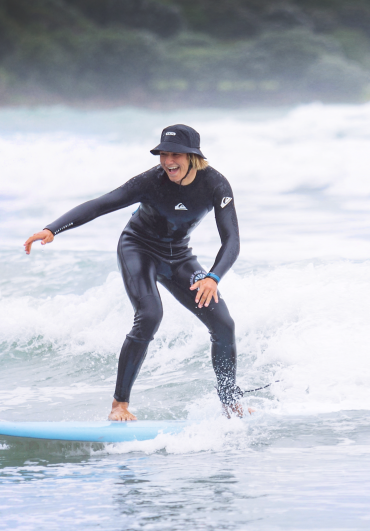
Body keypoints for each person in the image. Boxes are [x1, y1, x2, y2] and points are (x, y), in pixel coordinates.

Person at [24, 124, 245, 421]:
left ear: (193, 157)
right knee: (150, 314)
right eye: (163, 154)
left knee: (223, 324)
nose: (168, 161)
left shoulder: (216, 185)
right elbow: (102, 204)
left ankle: (231, 403)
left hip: (179, 256)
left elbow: (231, 240)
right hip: (138, 249)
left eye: (176, 155)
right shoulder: (150, 181)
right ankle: (119, 404)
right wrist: (53, 228)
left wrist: (212, 277)